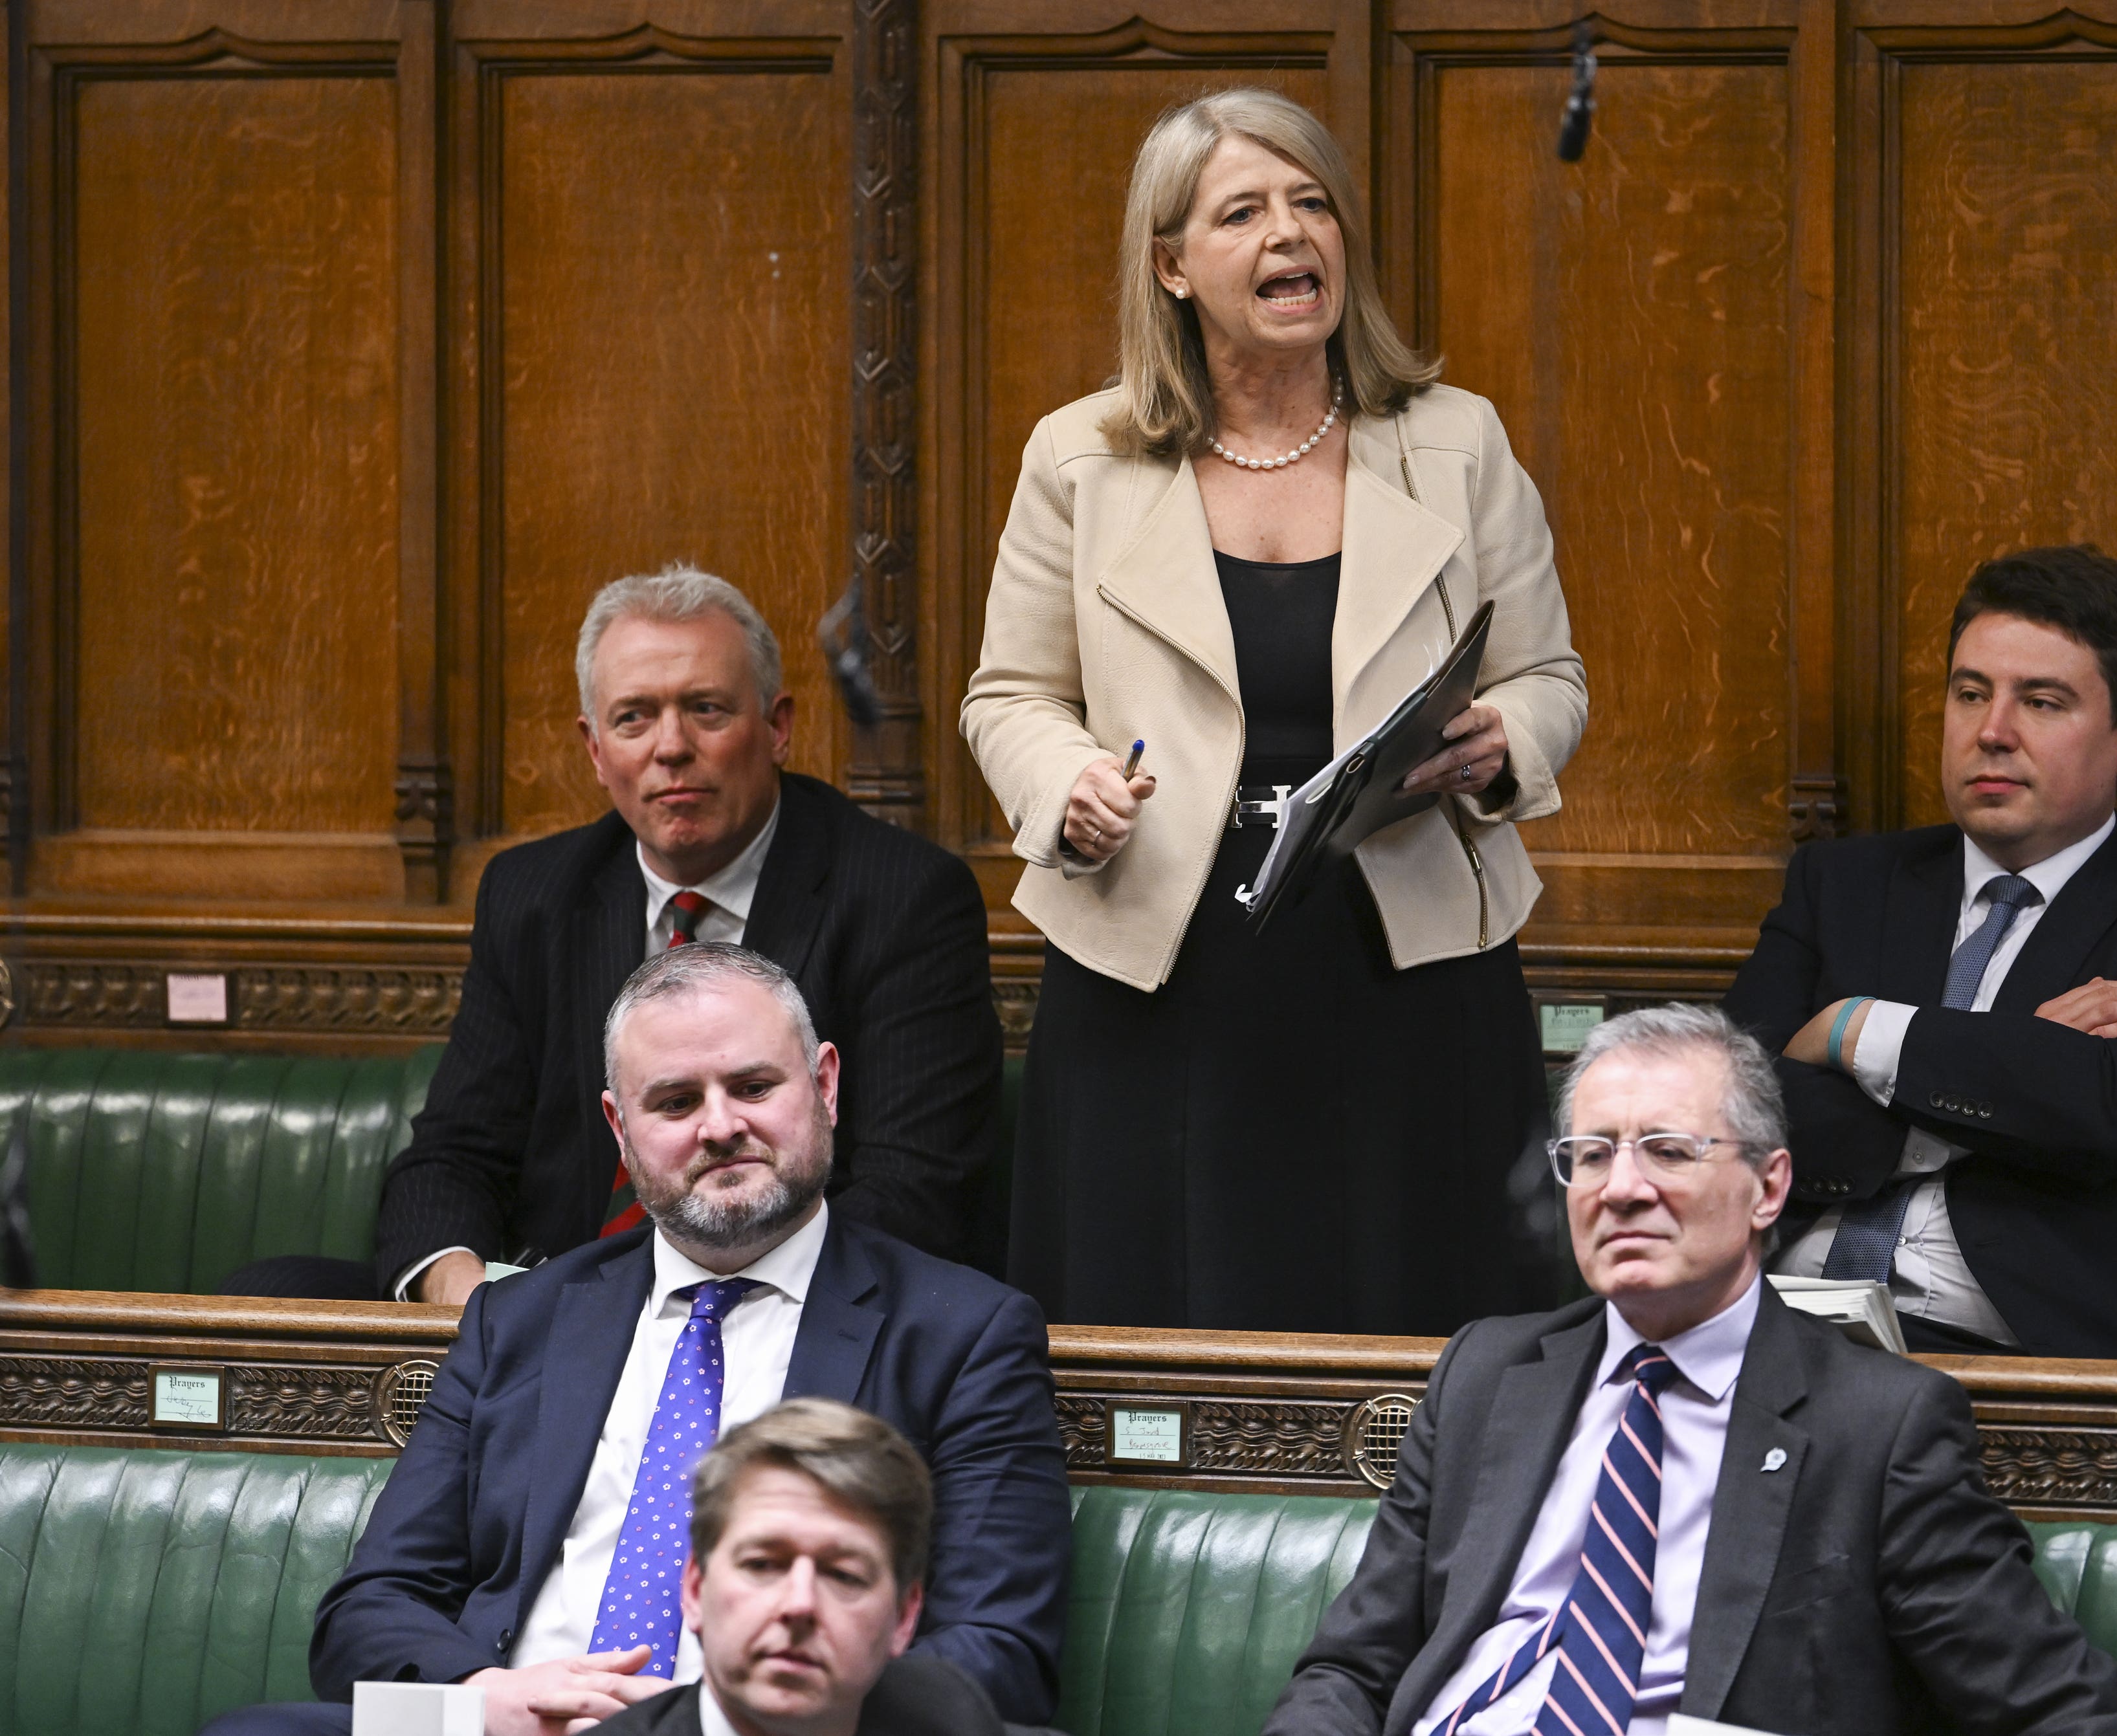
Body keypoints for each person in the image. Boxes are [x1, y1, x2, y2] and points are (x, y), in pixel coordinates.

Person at [960, 88, 1588, 1335]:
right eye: (1241, 212)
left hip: (1404, 949)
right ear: (1172, 265)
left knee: (1419, 1308)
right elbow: (1011, 696)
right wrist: (1065, 786)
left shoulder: (1453, 440)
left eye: (1310, 204)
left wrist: (1503, 739)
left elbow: (1547, 677)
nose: (1288, 234)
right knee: (1165, 1312)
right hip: (1159, 954)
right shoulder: (1078, 455)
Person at [199, 943, 1069, 1735]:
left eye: (755, 1086)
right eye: (677, 1100)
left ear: (826, 1085)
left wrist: (720, 1717)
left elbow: (1000, 1655)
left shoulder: (961, 1332)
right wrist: (479, 1696)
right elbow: (367, 1609)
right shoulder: (522, 1318)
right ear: (620, 1128)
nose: (720, 1124)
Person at [1263, 1005, 2117, 1736]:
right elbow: (1351, 1666)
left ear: (1769, 1187)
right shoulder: (1486, 1375)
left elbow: (2055, 1705)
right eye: (1595, 1153)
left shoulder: (1879, 1425)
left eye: (1669, 1149)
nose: (1622, 1186)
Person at [225, 566, 1000, 1304]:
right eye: (634, 717)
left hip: (785, 1305)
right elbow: (455, 1153)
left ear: (778, 728)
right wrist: (468, 1300)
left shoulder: (901, 897)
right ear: (596, 750)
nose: (670, 747)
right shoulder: (535, 894)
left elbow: (911, 1194)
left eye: (707, 709)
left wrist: (667, 1314)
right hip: (551, 1303)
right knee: (266, 1293)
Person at [1722, 546, 2117, 1361]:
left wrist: (1855, 1030)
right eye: (1970, 693)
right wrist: (2022, 1055)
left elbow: (2111, 1112)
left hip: (2032, 1358)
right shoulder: (1842, 884)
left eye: (2042, 702)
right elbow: (1724, 1110)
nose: (1992, 732)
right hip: (1773, 1327)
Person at [579, 1398, 1004, 1736]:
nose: (800, 1605)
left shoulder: (956, 1716)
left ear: (904, 1617)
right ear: (694, 1589)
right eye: (763, 1564)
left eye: (844, 1574)